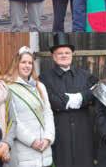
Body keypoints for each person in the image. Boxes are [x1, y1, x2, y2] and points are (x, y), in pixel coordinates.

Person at [39, 33, 98, 167]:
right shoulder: (44, 78)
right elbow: (51, 100)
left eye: (67, 52)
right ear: (53, 56)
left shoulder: (85, 76)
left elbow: (98, 93)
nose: (64, 55)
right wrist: (82, 98)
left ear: (72, 54)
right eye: (60, 53)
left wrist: (81, 97)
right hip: (60, 134)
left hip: (83, 134)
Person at [3, 46, 55, 167]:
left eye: (30, 63)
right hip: (24, 153)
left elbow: (48, 113)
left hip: (45, 152)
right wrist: (32, 141)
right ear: (17, 63)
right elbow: (13, 120)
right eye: (23, 62)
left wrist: (48, 138)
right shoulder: (8, 87)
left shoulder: (40, 86)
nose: (27, 66)